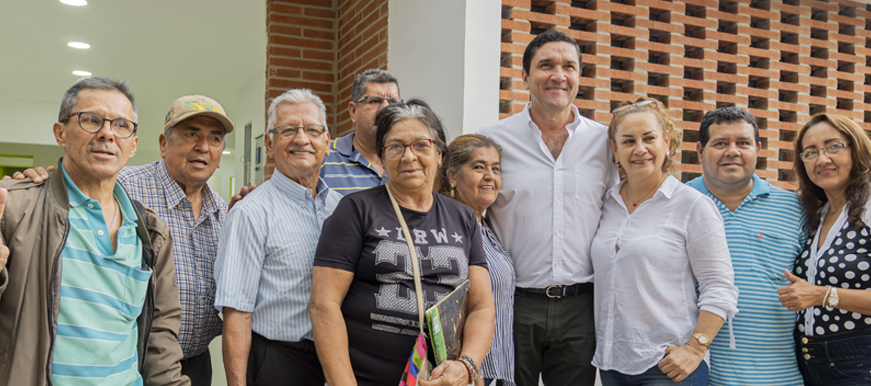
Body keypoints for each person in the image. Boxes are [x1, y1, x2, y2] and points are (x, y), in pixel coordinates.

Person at [11, 95, 235, 386]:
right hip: (132, 358)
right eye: (191, 134)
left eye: (214, 139)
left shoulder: (223, 211)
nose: (203, 147)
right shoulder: (121, 185)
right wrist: (29, 189)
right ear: (163, 144)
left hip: (191, 362)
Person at [310, 100, 496, 386]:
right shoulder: (355, 211)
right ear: (382, 159)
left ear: (439, 154)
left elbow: (482, 305)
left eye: (421, 145)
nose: (409, 156)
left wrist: (467, 365)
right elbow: (324, 305)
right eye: (396, 147)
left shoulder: (462, 217)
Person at [478, 29, 618, 386]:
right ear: (524, 76)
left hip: (580, 306)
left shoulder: (604, 142)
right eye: (546, 65)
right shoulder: (494, 141)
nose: (558, 75)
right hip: (512, 304)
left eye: (568, 66)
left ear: (579, 77)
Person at [590, 98, 739, 385]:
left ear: (666, 142)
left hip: (668, 365)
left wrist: (695, 349)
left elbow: (720, 287)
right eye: (628, 141)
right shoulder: (605, 203)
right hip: (613, 364)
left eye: (649, 138)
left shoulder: (692, 205)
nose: (640, 149)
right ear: (614, 149)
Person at [213, 89, 340, 386]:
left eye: (312, 130)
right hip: (276, 362)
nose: (301, 138)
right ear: (269, 144)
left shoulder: (342, 209)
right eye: (287, 130)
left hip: (334, 359)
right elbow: (237, 312)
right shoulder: (250, 213)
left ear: (327, 142)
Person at [687, 107, 806, 386]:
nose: (732, 151)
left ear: (758, 149)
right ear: (700, 150)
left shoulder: (795, 208)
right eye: (720, 143)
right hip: (698, 375)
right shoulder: (677, 202)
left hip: (781, 376)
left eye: (743, 143)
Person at [777, 113, 871, 386]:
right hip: (810, 361)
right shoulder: (818, 214)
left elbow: (818, 295)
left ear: (857, 149)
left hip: (860, 359)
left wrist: (823, 295)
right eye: (810, 152)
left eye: (834, 147)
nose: (822, 159)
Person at [439, 134, 516, 386]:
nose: (490, 176)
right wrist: (470, 367)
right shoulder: (449, 229)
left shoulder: (485, 226)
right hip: (471, 371)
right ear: (452, 176)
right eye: (478, 167)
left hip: (498, 367)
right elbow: (450, 307)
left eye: (495, 169)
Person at [320, 69, 401, 194]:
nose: (386, 108)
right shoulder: (323, 155)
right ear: (353, 111)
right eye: (375, 101)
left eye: (393, 102)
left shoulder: (408, 159)